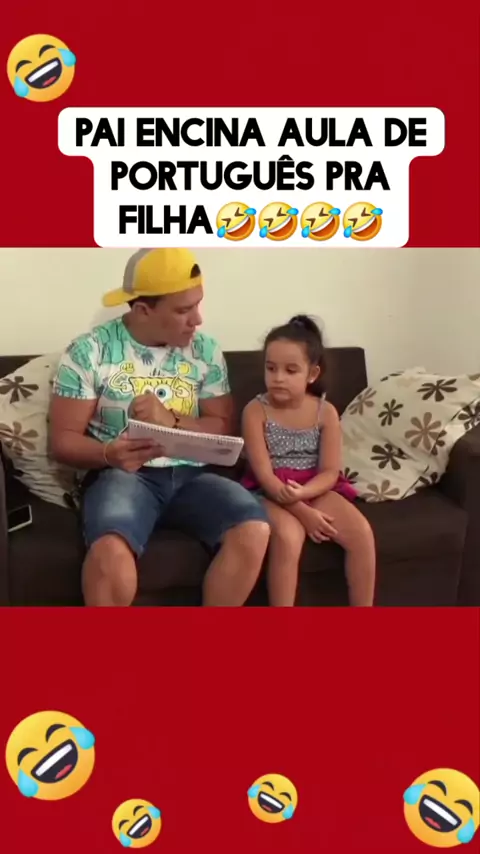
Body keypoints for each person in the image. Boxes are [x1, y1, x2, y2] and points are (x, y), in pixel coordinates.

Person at [48, 248, 270, 607]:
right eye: (183, 310)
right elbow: (63, 441)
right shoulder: (89, 351)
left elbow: (222, 427)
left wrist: (172, 420)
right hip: (124, 476)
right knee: (110, 551)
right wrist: (108, 454)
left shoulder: (205, 351)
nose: (197, 319)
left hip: (193, 476)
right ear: (142, 310)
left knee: (254, 529)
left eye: (198, 304)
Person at [241, 315, 376, 607]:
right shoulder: (255, 411)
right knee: (289, 537)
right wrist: (301, 510)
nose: (278, 377)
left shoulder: (325, 412)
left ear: (312, 373)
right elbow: (264, 475)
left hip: (313, 487)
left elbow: (330, 471)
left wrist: (305, 493)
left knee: (362, 534)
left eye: (290, 370)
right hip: (269, 491)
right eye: (271, 368)